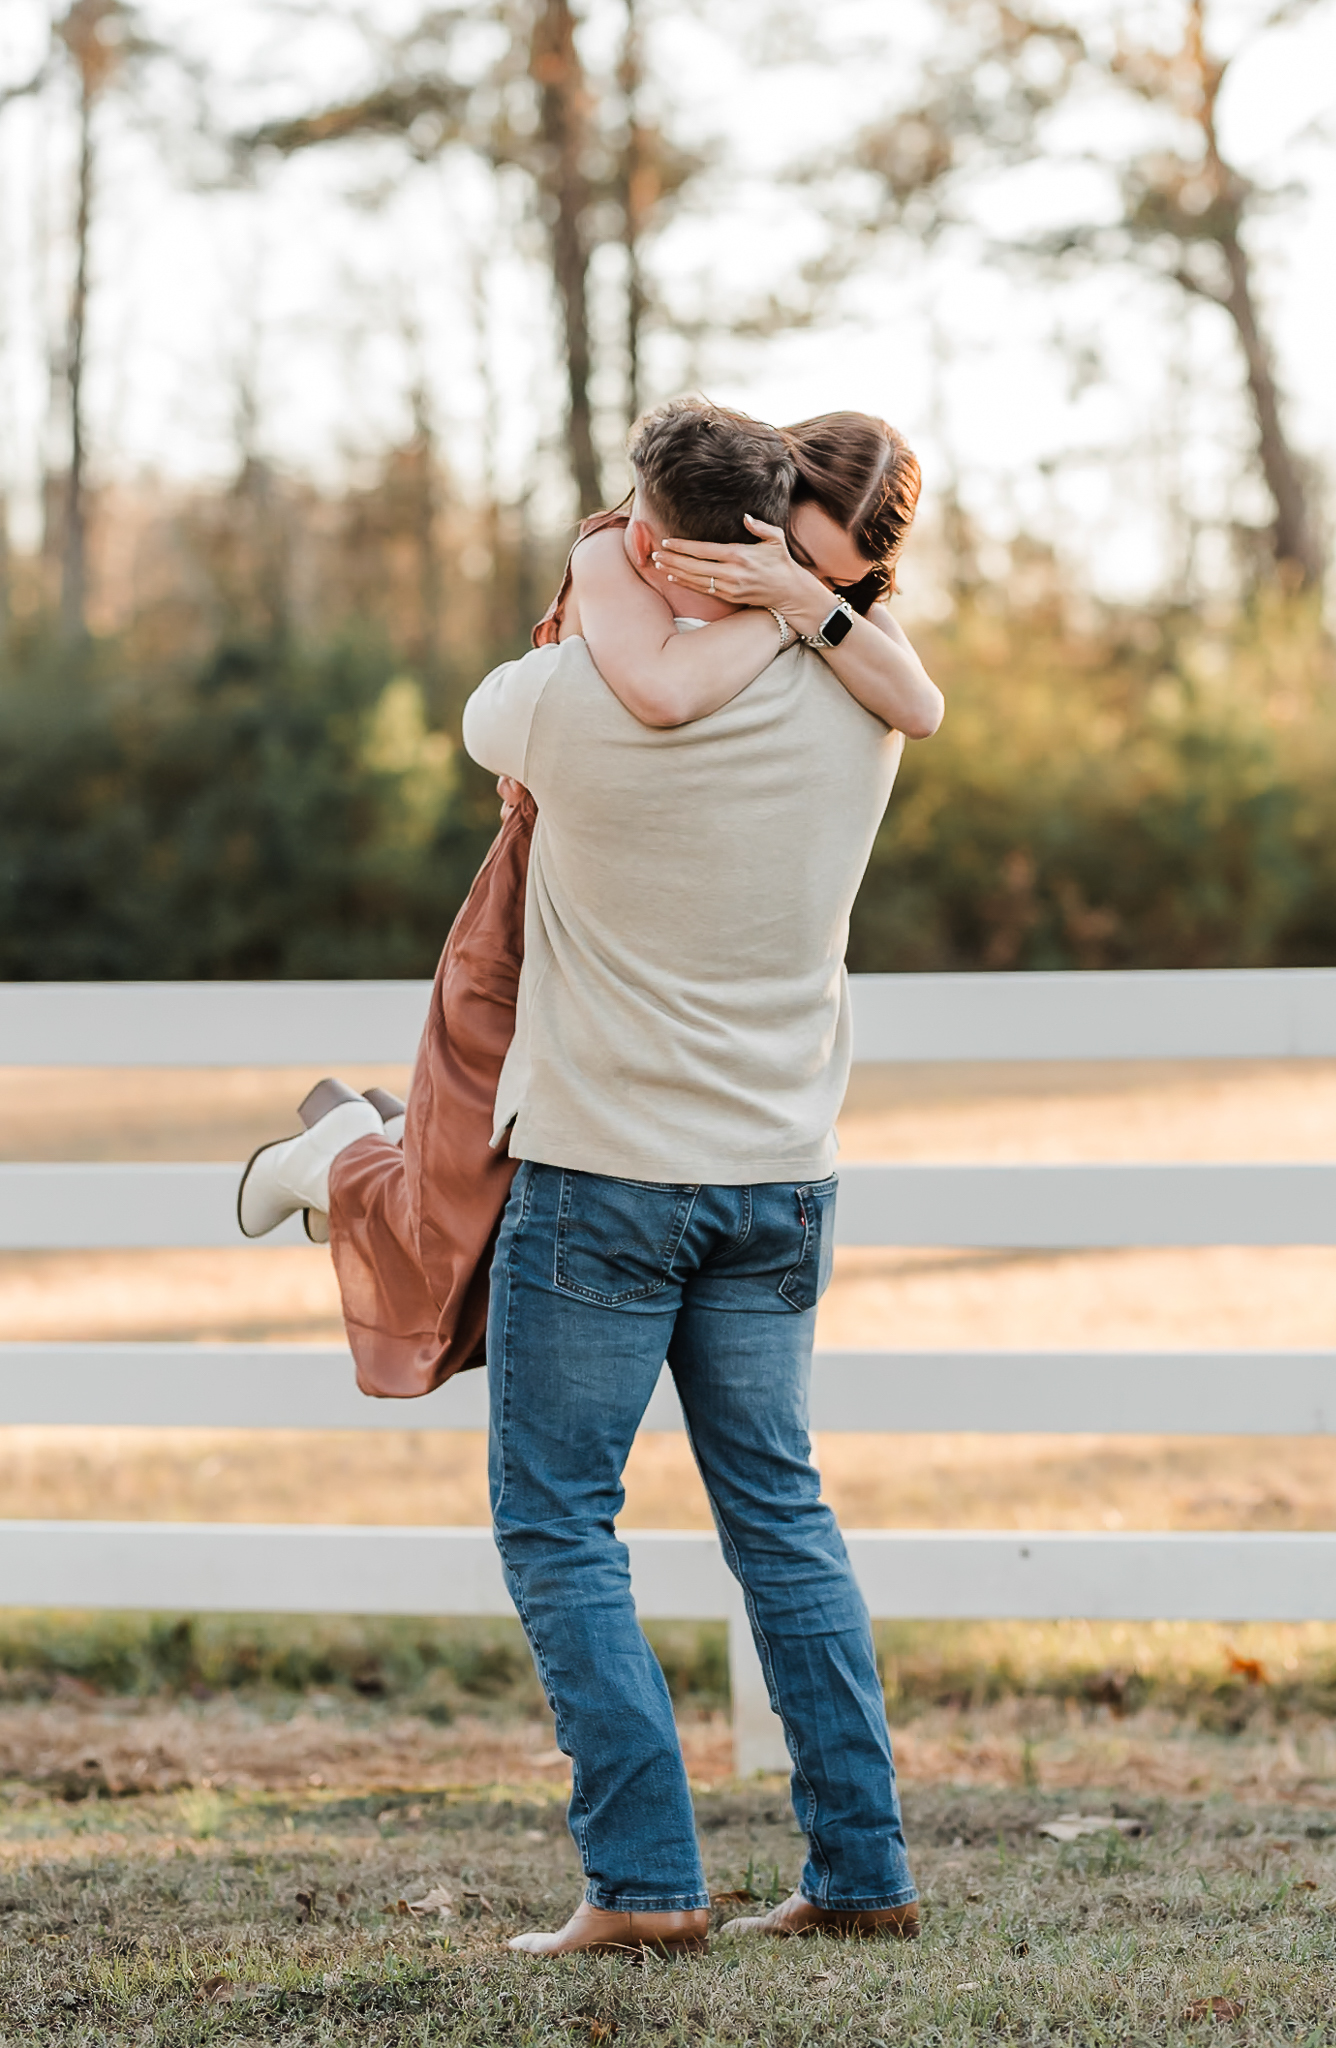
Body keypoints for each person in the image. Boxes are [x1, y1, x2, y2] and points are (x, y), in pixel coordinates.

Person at [446, 397, 940, 1959]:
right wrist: (802, 612)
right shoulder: (862, 709)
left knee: (558, 1522)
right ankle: (860, 1869)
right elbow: (882, 670)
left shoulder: (558, 702)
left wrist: (613, 568)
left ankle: (646, 1884)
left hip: (603, 1173)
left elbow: (484, 716)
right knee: (781, 1519)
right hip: (777, 1176)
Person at [236, 404, 939, 1411]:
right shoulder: (623, 552)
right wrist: (788, 613)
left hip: (640, 945)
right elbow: (656, 691)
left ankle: (354, 1148)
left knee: (467, 1200)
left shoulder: (825, 604)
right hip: (544, 895)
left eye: (841, 581)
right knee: (455, 1206)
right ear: (762, 511)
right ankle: (350, 1153)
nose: (817, 589)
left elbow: (919, 707)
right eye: (795, 556)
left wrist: (799, 597)